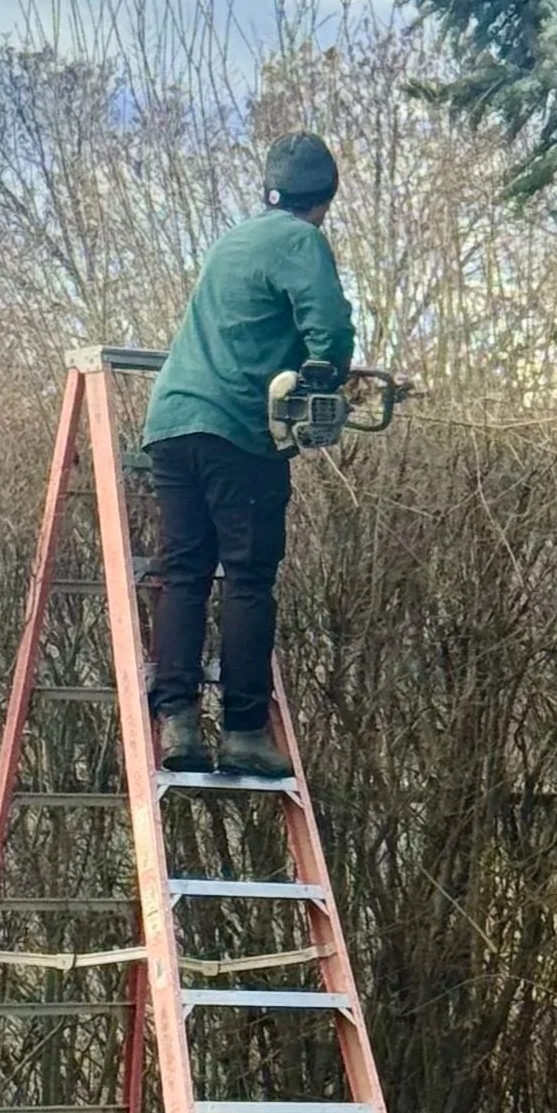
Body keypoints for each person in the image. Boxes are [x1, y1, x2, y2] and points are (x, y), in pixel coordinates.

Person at [139, 131, 354, 780]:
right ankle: (242, 731)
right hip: (237, 428)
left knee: (184, 571)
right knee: (249, 578)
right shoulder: (301, 239)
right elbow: (332, 329)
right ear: (322, 199)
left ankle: (176, 720)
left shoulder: (232, 240)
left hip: (172, 421)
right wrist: (326, 372)